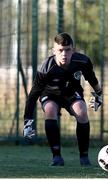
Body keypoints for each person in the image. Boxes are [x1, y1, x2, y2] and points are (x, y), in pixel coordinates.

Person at [23, 32, 102, 166]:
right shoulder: (46, 67)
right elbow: (32, 96)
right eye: (60, 50)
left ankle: (84, 157)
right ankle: (57, 156)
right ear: (54, 51)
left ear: (73, 49)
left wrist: (99, 94)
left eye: (67, 50)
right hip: (50, 94)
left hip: (72, 93)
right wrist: (27, 121)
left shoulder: (82, 61)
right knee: (50, 110)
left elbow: (92, 79)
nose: (64, 54)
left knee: (82, 111)